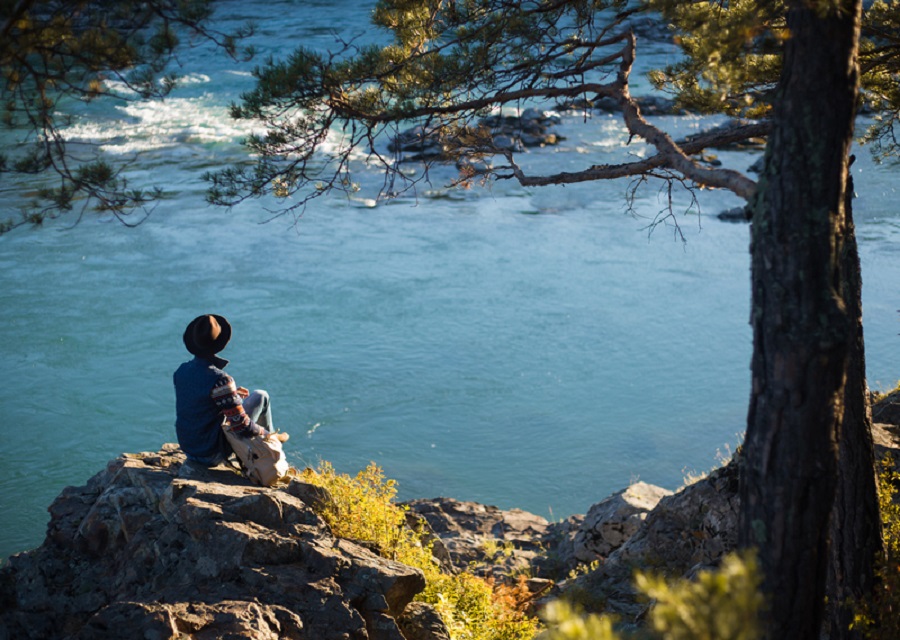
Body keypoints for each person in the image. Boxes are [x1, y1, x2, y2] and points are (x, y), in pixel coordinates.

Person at [174, 314, 288, 467]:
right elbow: (242, 427)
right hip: (211, 453)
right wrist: (267, 434)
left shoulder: (181, 371)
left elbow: (199, 403)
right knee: (261, 396)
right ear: (219, 343)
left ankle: (268, 446)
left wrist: (232, 396)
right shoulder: (220, 379)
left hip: (189, 448)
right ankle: (270, 447)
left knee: (249, 401)